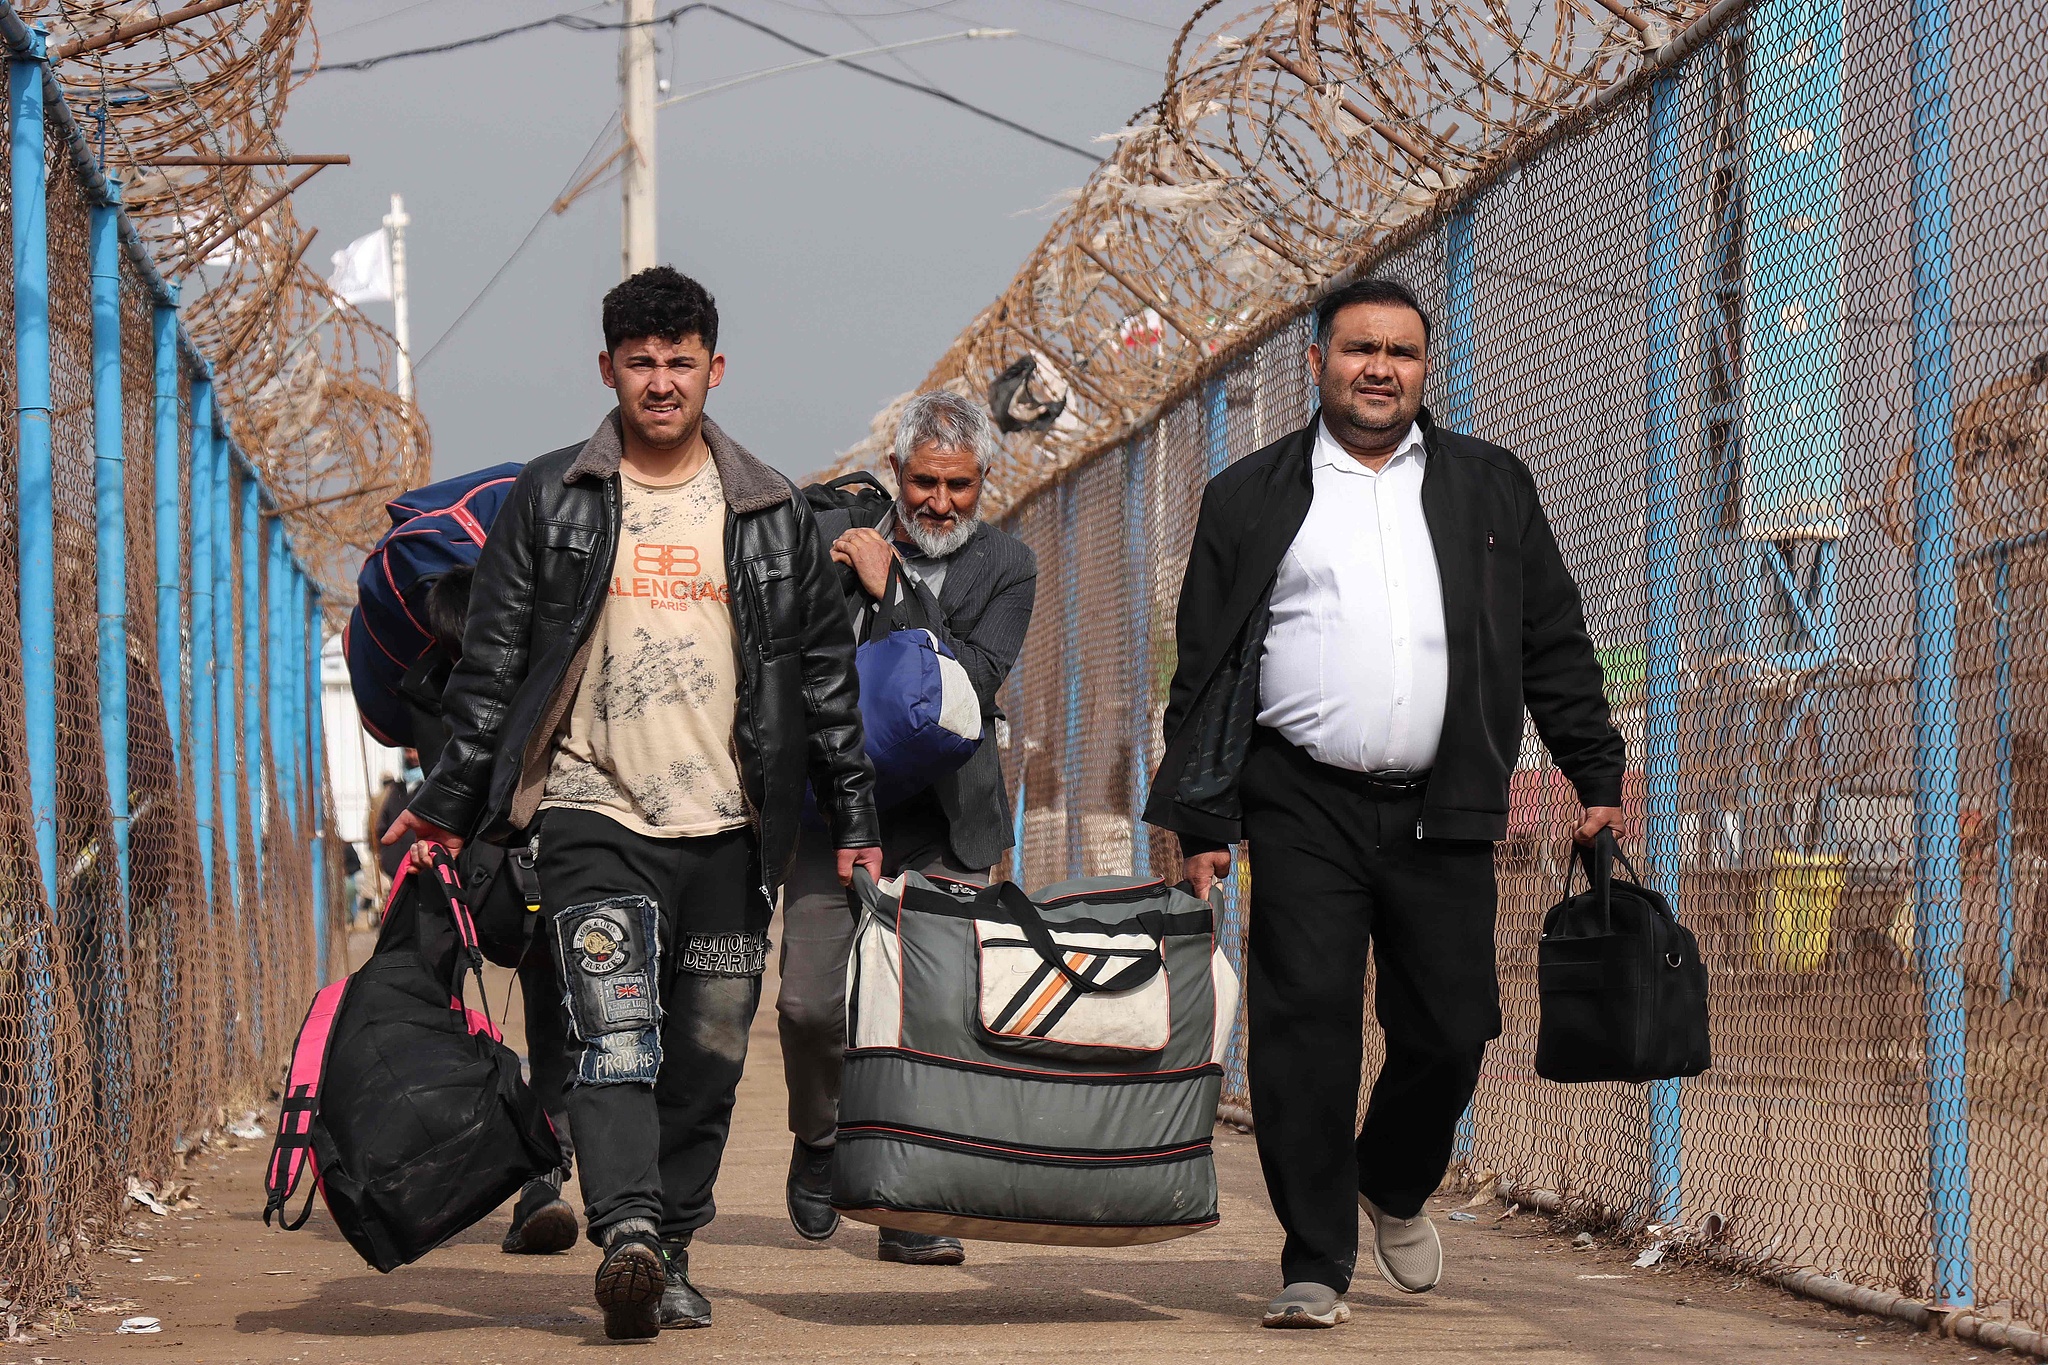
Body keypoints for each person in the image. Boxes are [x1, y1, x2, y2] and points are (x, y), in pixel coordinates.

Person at [383, 266, 881, 1339]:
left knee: (705, 1057)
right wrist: (446, 803)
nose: (661, 383)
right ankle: (629, 1234)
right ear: (606, 370)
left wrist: (853, 822)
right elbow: (493, 665)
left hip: (731, 829)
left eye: (680, 363)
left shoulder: (770, 509)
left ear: (715, 369)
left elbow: (822, 678)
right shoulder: (552, 496)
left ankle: (678, 1246)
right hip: (588, 813)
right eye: (641, 364)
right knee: (612, 1037)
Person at [1143, 277, 1627, 1329]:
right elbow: (1207, 669)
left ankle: (1392, 1180)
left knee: (1452, 1028)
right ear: (1316, 359)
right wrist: (1200, 817)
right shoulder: (1248, 497)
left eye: (1400, 354)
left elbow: (1550, 636)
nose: (1378, 369)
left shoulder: (1488, 487)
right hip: (1298, 800)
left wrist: (1594, 771)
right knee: (1299, 1029)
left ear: (1422, 369)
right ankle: (1314, 1260)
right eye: (1359, 348)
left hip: (1443, 802)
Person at [776, 390, 1037, 1266]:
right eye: (924, 482)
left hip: (945, 820)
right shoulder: (829, 540)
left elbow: (974, 676)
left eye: (959, 486)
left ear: (985, 481)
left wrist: (890, 593)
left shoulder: (1008, 566)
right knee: (812, 1002)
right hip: (833, 809)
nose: (940, 503)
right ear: (896, 473)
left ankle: (910, 1195)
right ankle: (820, 1139)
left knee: (933, 1016)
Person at [401, 566, 580, 1257]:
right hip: (466, 880)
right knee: (437, 1023)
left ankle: (542, 1174)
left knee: (555, 1029)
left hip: (538, 881)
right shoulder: (426, 690)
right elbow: (441, 785)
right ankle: (459, 1164)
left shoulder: (545, 681)